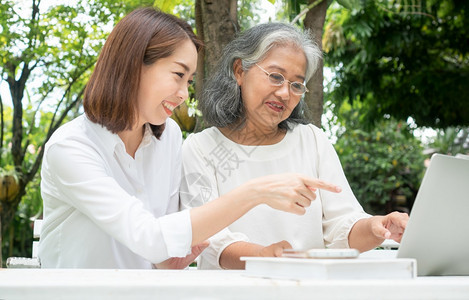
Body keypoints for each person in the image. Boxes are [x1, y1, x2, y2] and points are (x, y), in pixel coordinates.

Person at [38, 8, 340, 269]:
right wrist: (257, 192)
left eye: (190, 80)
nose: (184, 94)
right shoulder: (72, 148)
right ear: (134, 66)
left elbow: (162, 249)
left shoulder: (168, 137)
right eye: (177, 75)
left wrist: (172, 259)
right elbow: (151, 238)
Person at [180, 22, 408, 269]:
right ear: (239, 71)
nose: (284, 94)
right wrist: (265, 256)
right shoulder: (201, 148)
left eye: (296, 84)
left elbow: (343, 225)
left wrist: (377, 227)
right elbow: (210, 242)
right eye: (275, 77)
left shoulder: (312, 140)